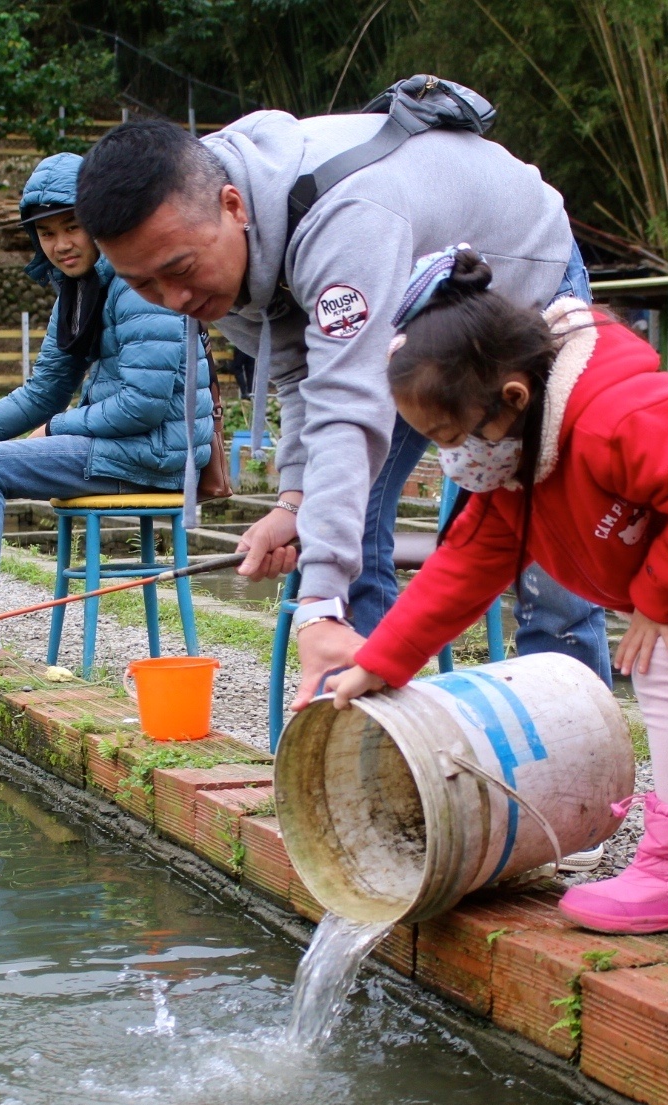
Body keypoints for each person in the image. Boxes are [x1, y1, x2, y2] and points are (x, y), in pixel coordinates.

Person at [327, 248, 668, 946]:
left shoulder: (616, 418)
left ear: (512, 398)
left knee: (666, 676)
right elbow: (462, 568)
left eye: (451, 437)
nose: (449, 457)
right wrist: (382, 662)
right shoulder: (516, 466)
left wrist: (659, 600)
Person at [74, 109, 611, 706]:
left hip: (514, 279)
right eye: (144, 285)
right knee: (348, 518)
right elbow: (303, 374)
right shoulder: (208, 260)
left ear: (233, 207)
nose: (173, 299)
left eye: (178, 271)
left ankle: (574, 740)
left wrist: (320, 602)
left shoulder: (343, 218)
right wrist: (295, 503)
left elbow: (347, 406)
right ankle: (379, 747)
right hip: (400, 309)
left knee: (549, 530)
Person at [0, 152, 213, 701]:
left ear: (102, 219)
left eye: (73, 226)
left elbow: (143, 405)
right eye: (48, 233)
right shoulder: (77, 295)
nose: (61, 244)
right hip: (121, 446)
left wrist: (58, 425)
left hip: (155, 453)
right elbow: (40, 394)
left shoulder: (135, 285)